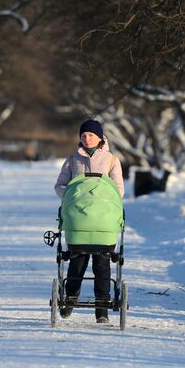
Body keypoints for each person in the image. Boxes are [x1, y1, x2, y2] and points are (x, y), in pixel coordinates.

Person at [54, 119, 124, 323]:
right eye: (83, 135)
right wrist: (73, 195)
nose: (86, 138)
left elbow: (119, 190)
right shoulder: (72, 160)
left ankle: (101, 307)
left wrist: (99, 198)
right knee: (77, 262)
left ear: (100, 137)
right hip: (79, 218)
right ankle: (70, 298)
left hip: (103, 218)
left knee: (102, 264)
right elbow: (59, 186)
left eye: (91, 135)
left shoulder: (111, 160)